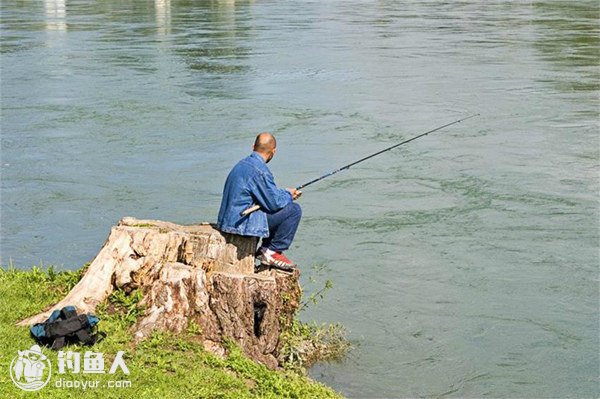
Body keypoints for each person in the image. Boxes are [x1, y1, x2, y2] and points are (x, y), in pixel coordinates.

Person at [217, 132, 302, 271]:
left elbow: (268, 194)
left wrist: (285, 192)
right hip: (240, 223)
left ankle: (266, 250)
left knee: (284, 204)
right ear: (273, 151)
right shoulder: (259, 170)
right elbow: (273, 203)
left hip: (229, 219)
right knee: (293, 210)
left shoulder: (243, 164)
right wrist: (288, 196)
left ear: (253, 146)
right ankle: (272, 251)